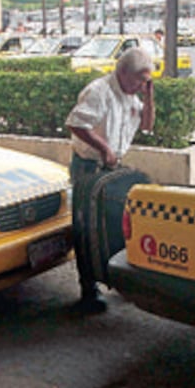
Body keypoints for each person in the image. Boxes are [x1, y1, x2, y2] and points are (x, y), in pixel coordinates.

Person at [65, 47, 155, 313]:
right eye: (139, 80)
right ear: (122, 72)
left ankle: (114, 279)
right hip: (89, 166)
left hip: (113, 166)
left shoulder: (132, 95)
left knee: (115, 223)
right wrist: (104, 147)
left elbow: (147, 126)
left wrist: (149, 97)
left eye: (145, 81)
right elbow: (75, 123)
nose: (141, 85)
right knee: (86, 227)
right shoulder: (100, 91)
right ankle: (87, 291)